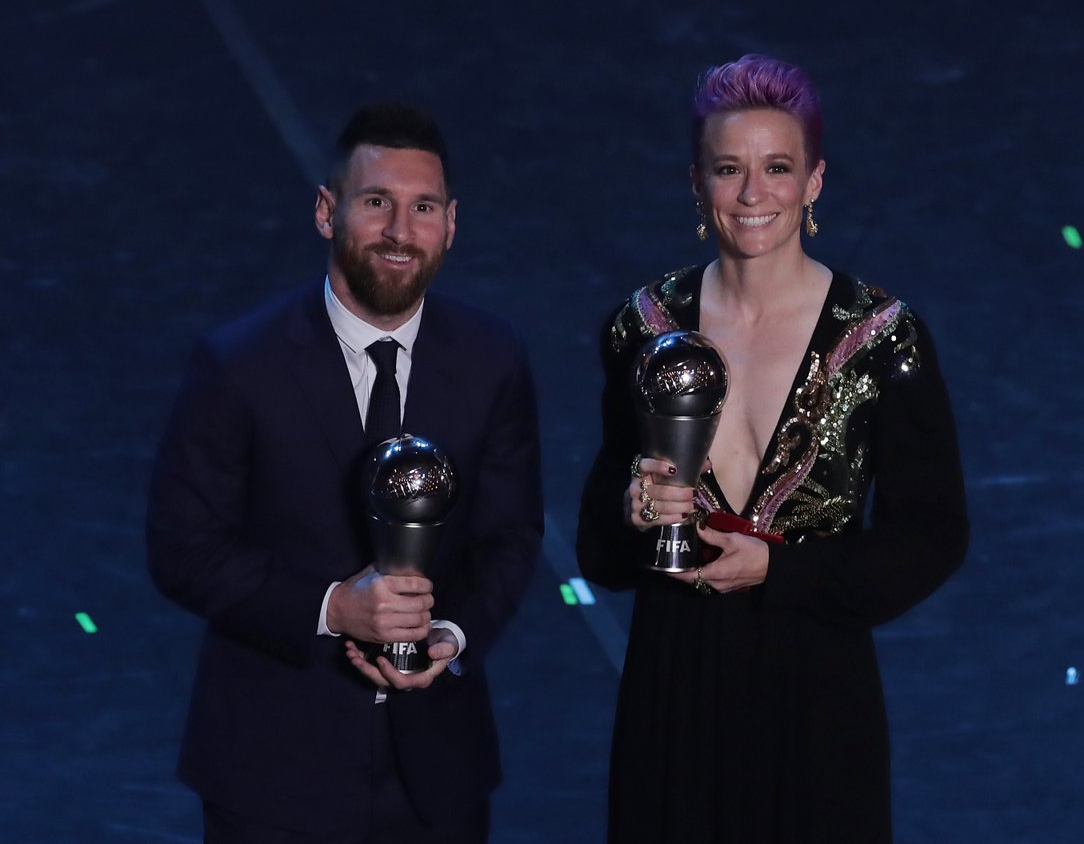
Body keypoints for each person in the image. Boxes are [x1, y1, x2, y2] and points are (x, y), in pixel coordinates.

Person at [576, 55, 969, 843]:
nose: (754, 194)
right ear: (698, 183)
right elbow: (600, 551)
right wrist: (632, 511)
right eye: (730, 169)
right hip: (673, 687)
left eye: (777, 167)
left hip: (818, 689)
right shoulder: (643, 326)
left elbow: (933, 535)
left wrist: (779, 570)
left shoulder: (884, 338)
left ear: (814, 181)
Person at [147, 102, 543, 843]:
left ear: (451, 223)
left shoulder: (494, 359)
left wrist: (451, 635)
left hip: (439, 775)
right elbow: (182, 549)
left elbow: (511, 536)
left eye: (423, 207)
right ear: (328, 211)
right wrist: (334, 606)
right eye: (376, 202)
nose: (400, 230)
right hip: (273, 773)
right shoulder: (239, 364)